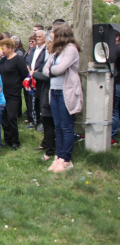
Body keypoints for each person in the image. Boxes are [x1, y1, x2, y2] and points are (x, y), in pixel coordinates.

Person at [44, 23, 82, 173]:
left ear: (60, 34)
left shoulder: (71, 49)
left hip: (67, 92)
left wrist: (52, 71)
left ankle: (66, 159)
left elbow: (59, 69)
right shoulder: (56, 51)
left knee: (66, 126)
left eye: (53, 32)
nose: (51, 34)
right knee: (58, 126)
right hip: (54, 91)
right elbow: (45, 69)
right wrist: (53, 71)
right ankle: (59, 156)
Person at [0, 38, 28, 150]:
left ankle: (15, 141)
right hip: (2, 93)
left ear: (10, 48)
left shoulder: (18, 60)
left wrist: (18, 85)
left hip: (13, 93)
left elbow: (25, 74)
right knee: (3, 117)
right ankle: (7, 139)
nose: (2, 50)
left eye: (3, 48)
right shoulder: (3, 60)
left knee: (11, 117)